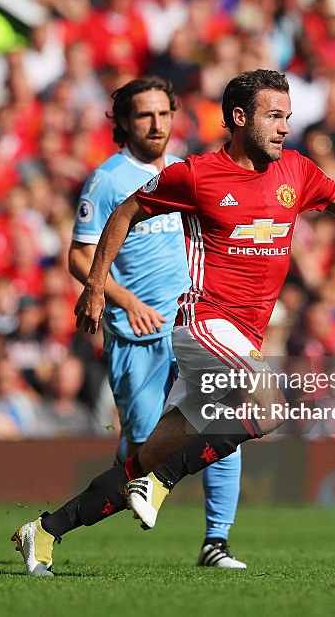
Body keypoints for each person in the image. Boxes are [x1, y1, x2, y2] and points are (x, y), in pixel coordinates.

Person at [12, 69, 335, 576]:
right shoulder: (195, 174)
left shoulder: (297, 171)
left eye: (287, 117)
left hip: (244, 336)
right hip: (201, 323)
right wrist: (96, 286)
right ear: (239, 118)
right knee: (271, 405)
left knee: (141, 461)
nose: (284, 127)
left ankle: (44, 530)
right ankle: (164, 485)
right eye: (273, 116)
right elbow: (126, 211)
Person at [68, 76, 246, 568]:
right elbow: (79, 258)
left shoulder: (186, 172)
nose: (156, 124)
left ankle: (217, 541)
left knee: (222, 424)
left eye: (164, 114)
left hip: (193, 328)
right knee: (148, 446)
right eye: (144, 115)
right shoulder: (108, 180)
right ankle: (126, 451)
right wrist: (124, 300)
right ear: (123, 123)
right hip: (137, 335)